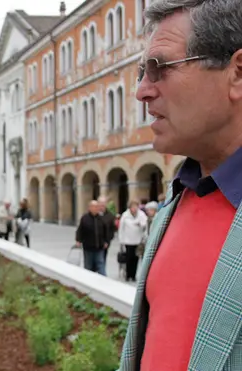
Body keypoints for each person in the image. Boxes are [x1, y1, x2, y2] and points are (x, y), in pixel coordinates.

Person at [120, 0, 242, 369]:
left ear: (237, 73)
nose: (142, 91)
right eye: (142, 72)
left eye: (159, 68)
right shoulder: (176, 203)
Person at [75, 200, 109, 275]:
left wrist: (106, 241)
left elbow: (106, 231)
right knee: (88, 266)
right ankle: (88, 280)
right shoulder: (85, 218)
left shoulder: (101, 218)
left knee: (100, 264)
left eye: (97, 207)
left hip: (99, 246)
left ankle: (103, 280)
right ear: (89, 208)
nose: (96, 208)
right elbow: (80, 230)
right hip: (88, 246)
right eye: (94, 207)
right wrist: (78, 240)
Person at [117, 200, 148, 282]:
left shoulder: (141, 214)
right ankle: (128, 275)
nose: (134, 208)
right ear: (130, 207)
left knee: (136, 259)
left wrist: (140, 225)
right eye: (133, 207)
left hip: (138, 241)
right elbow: (121, 228)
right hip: (128, 241)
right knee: (128, 258)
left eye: (136, 206)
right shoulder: (125, 215)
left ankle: (133, 275)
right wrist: (121, 240)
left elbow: (145, 225)